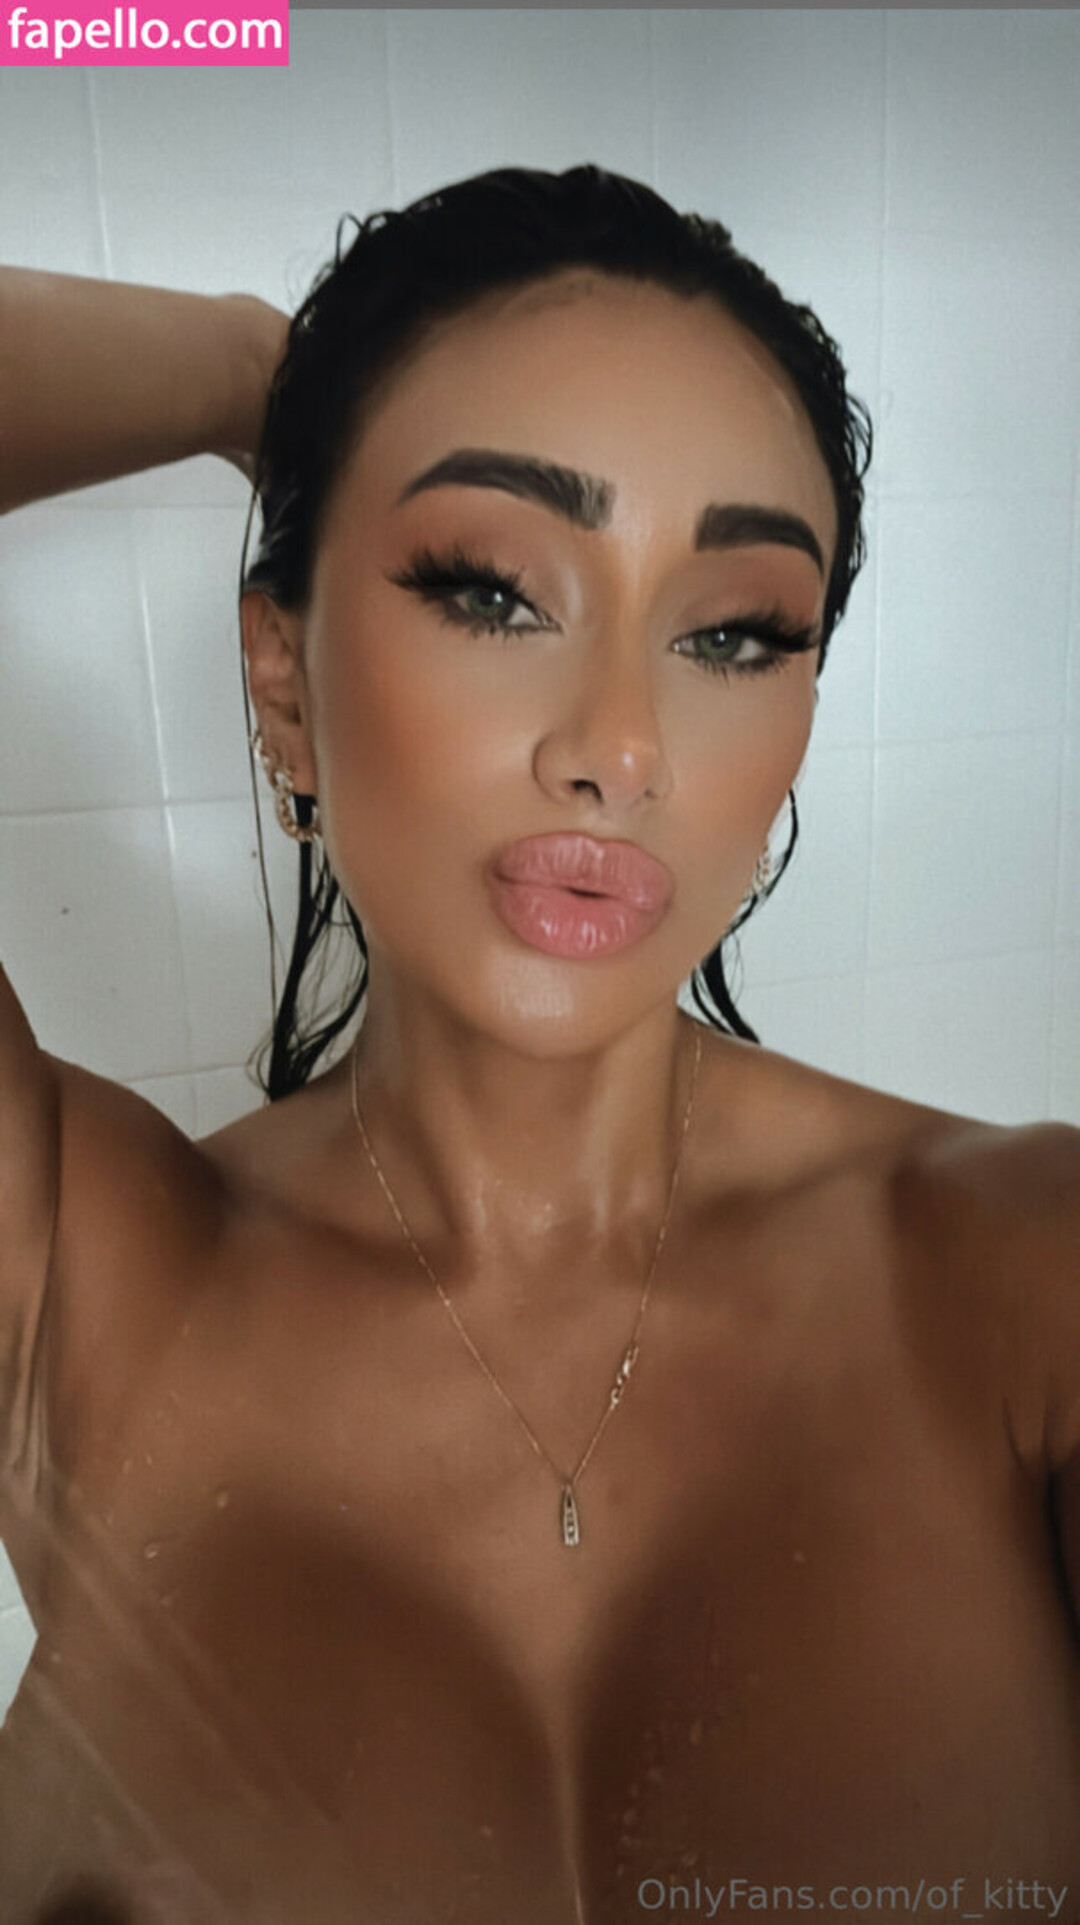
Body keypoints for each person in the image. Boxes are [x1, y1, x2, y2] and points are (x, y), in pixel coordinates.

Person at [0, 164, 1078, 1925]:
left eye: (734, 630)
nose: (622, 746)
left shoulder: (1033, 1273)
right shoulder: (73, 1268)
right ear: (282, 681)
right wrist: (248, 368)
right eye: (493, 589)